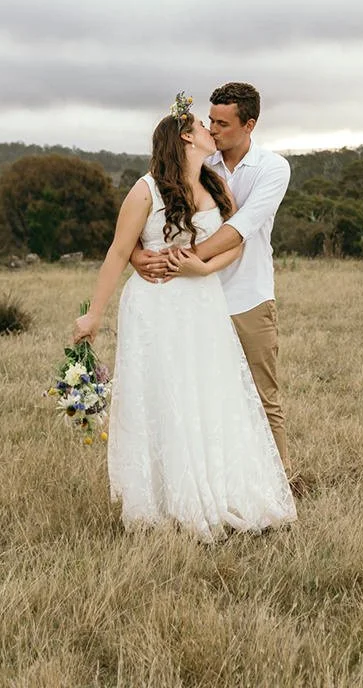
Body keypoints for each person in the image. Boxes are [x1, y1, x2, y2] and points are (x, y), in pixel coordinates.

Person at [72, 97, 295, 541]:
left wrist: (203, 267)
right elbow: (118, 251)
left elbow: (238, 241)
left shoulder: (215, 185)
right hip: (155, 307)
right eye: (203, 123)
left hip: (203, 302)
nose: (211, 128)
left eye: (217, 122)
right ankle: (167, 498)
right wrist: (93, 314)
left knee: (209, 392)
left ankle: (221, 488)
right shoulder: (146, 190)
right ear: (186, 137)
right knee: (163, 396)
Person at [131, 82, 294, 479]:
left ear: (249, 125)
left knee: (261, 395)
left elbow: (241, 228)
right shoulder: (196, 163)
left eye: (223, 123)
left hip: (247, 297)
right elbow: (146, 224)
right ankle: (221, 480)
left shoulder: (272, 168)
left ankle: (281, 480)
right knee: (202, 396)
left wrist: (181, 262)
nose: (214, 129)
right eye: (211, 121)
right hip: (194, 302)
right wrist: (138, 257)